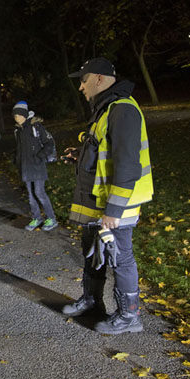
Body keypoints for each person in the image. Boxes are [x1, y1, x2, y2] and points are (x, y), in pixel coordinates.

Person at [61, 57, 153, 334]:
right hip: (97, 202)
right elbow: (104, 152)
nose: (80, 87)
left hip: (116, 206)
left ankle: (129, 316)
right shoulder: (105, 109)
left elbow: (127, 164)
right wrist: (80, 156)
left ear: (99, 79)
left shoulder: (121, 110)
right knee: (92, 253)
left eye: (83, 79)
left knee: (121, 258)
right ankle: (92, 300)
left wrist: (114, 209)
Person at [12, 101, 59, 231]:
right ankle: (36, 218)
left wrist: (40, 157)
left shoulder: (36, 127)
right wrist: (16, 160)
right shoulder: (18, 130)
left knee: (39, 192)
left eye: (19, 115)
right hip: (25, 168)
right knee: (30, 194)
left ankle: (51, 218)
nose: (16, 118)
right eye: (14, 116)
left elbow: (49, 143)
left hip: (37, 166)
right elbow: (19, 149)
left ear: (24, 115)